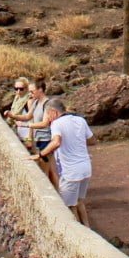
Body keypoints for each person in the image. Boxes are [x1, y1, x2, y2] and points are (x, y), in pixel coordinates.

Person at [33, 96, 95, 227]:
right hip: (85, 168)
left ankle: (80, 235)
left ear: (53, 112)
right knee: (79, 201)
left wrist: (40, 155)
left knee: (69, 207)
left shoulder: (56, 124)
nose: (47, 119)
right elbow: (92, 140)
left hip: (70, 171)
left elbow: (56, 142)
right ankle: (88, 228)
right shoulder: (80, 120)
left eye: (47, 115)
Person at [24, 79, 59, 186]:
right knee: (48, 170)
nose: (30, 94)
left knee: (44, 171)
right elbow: (27, 116)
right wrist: (12, 115)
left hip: (46, 140)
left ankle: (59, 197)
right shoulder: (35, 102)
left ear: (40, 90)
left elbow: (45, 123)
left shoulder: (47, 104)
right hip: (39, 140)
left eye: (32, 91)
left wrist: (29, 125)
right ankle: (61, 195)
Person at [4, 78, 34, 145]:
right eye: (16, 88)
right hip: (18, 133)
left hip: (26, 135)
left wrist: (29, 139)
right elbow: (15, 113)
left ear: (27, 88)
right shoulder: (17, 98)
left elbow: (32, 119)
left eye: (21, 89)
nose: (18, 91)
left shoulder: (29, 100)